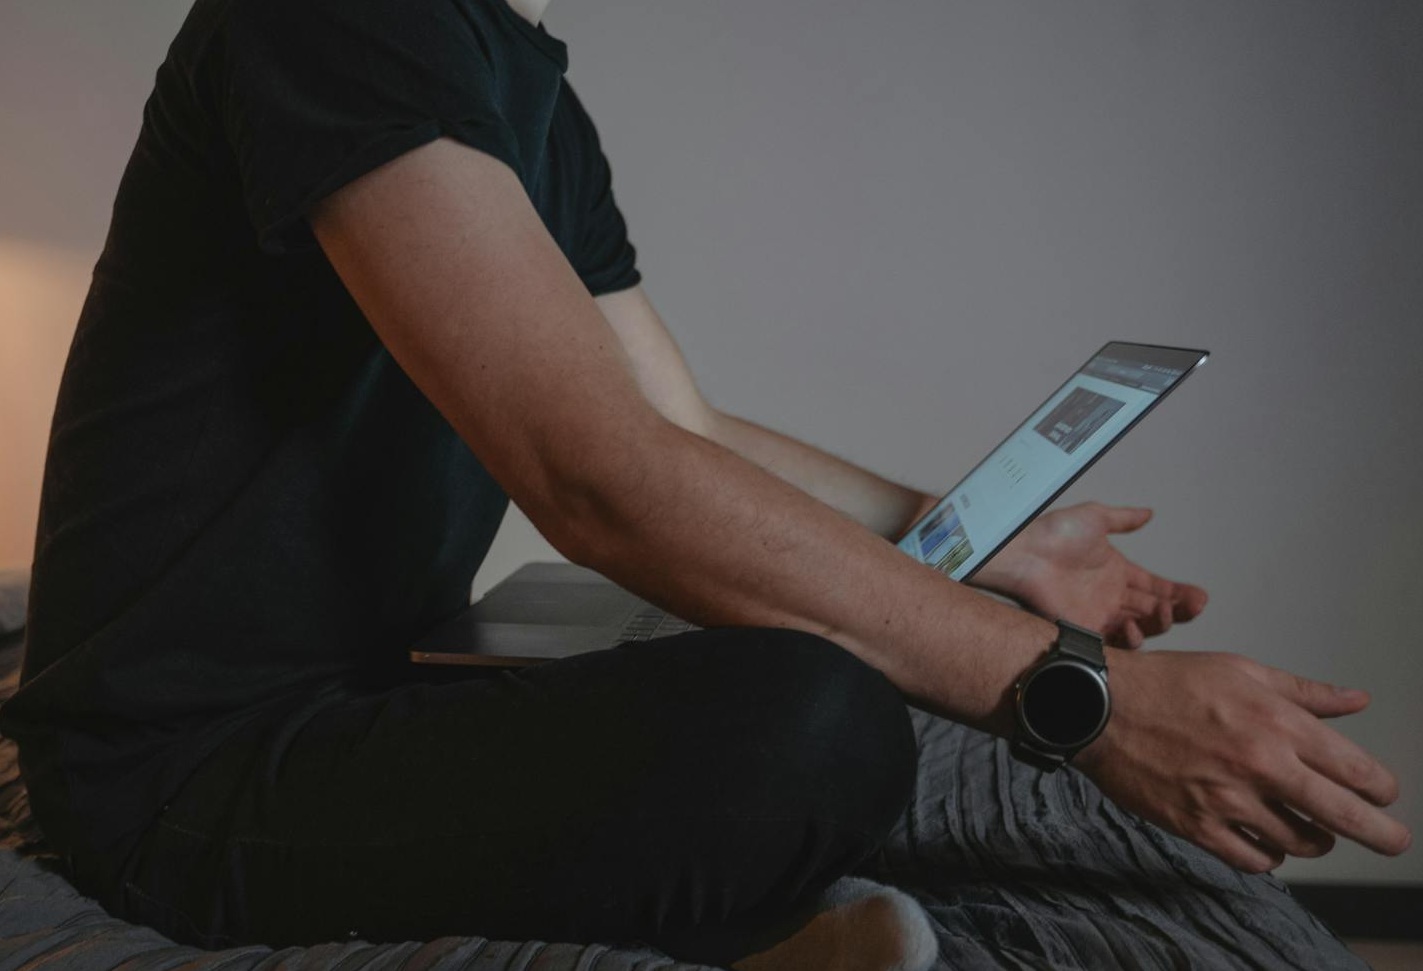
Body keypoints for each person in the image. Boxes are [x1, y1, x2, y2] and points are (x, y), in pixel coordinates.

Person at [1, 0, 1409, 967]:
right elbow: (598, 479)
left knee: (770, 662)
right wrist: (1077, 694)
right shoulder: (340, 20)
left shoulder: (527, 92)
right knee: (814, 719)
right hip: (176, 774)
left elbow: (676, 421)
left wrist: (976, 546)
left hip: (365, 696)